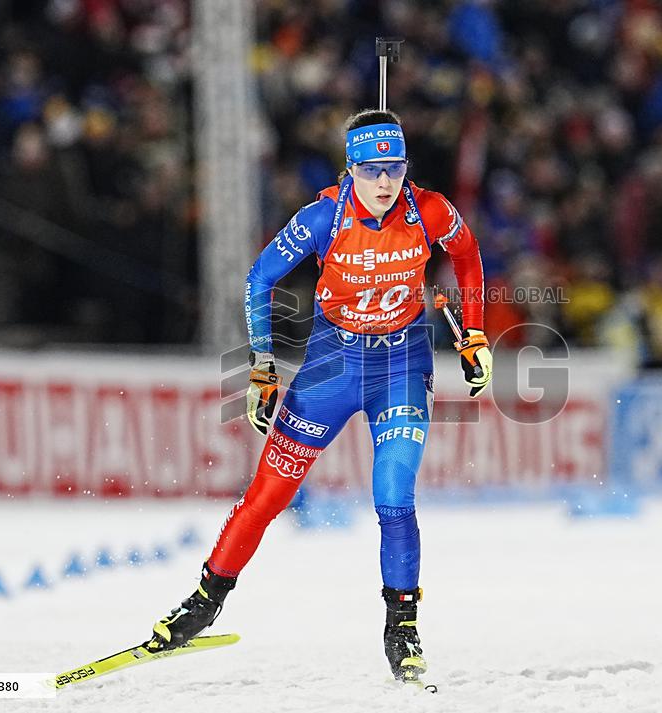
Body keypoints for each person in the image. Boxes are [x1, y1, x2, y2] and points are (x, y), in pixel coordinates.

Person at [146, 109, 493, 683]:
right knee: (266, 498)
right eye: (372, 169)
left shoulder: (429, 209)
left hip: (401, 365)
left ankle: (401, 630)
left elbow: (469, 257)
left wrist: (474, 332)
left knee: (393, 498)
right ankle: (202, 605)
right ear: (351, 168)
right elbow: (259, 279)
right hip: (331, 367)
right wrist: (262, 367)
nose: (385, 182)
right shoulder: (323, 216)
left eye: (396, 168)